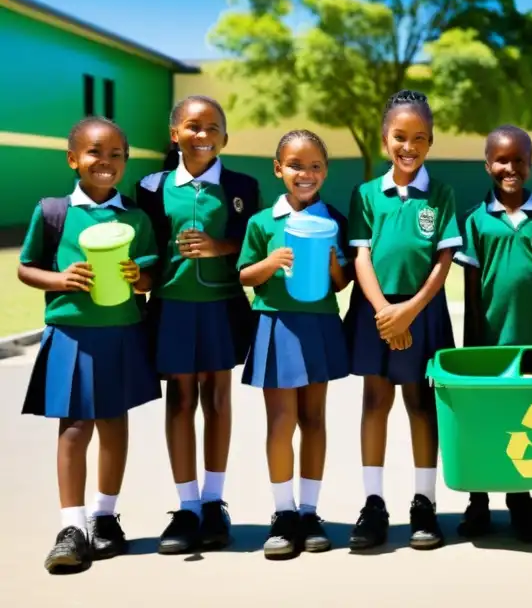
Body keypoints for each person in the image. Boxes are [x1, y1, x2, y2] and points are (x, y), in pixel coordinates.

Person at [19, 117, 161, 574]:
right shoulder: (54, 211)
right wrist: (60, 280)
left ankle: (104, 517)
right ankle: (71, 527)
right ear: (73, 159)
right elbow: (26, 268)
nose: (106, 162)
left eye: (117, 154)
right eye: (95, 153)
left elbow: (151, 275)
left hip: (120, 332)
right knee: (75, 428)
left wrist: (137, 277)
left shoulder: (135, 216)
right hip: (71, 333)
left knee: (114, 423)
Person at [135, 95, 261, 555]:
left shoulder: (242, 185)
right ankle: (186, 506)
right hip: (171, 305)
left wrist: (219, 247)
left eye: (212, 128)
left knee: (218, 398)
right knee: (180, 400)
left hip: (221, 305)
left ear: (225, 137)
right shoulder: (150, 187)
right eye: (192, 126)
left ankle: (213, 502)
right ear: (175, 135)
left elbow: (253, 243)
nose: (202, 135)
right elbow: (144, 247)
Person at [345, 90, 461, 551]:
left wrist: (409, 310)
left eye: (418, 138)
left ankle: (423, 503)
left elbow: (444, 257)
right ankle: (373, 504)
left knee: (419, 400)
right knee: (375, 400)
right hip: (376, 310)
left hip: (421, 309)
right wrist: (384, 313)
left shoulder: (443, 193)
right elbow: (361, 255)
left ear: (430, 142)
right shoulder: (367, 194)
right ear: (383, 138)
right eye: (399, 136)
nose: (408, 146)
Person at [238, 130, 350, 559]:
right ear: (278, 168)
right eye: (296, 165)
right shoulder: (263, 222)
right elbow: (245, 275)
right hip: (276, 325)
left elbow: (341, 284)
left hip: (318, 325)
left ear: (325, 170)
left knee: (314, 419)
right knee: (281, 421)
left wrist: (333, 263)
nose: (306, 174)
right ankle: (282, 513)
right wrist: (269, 262)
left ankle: (309, 511)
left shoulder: (334, 220)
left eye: (316, 166)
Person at [454, 125, 532, 543]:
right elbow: (470, 287)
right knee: (486, 421)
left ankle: (521, 500)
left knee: (525, 420)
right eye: (501, 160)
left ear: (531, 165)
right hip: (488, 343)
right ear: (487, 165)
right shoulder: (476, 220)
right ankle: (478, 501)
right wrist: (470, 346)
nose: (510, 167)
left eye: (519, 160)